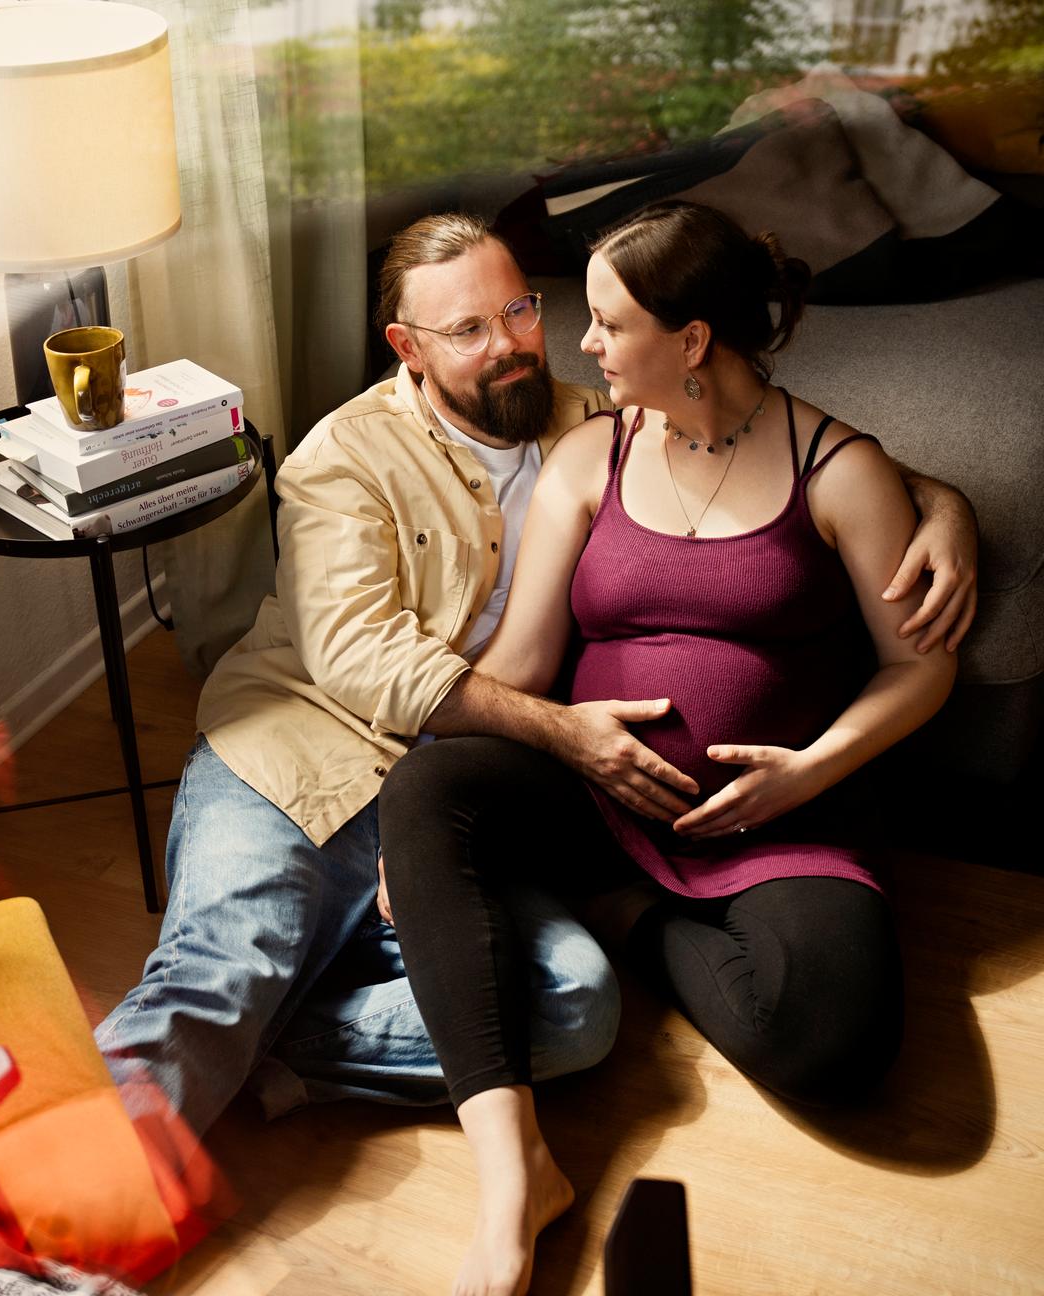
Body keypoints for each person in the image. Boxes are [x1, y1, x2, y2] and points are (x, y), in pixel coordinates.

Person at [95, 211, 973, 1153]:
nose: (515, 345)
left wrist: (943, 502)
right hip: (305, 760)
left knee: (575, 1011)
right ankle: (49, 1229)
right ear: (409, 348)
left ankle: (253, 1054)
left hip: (470, 786)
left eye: (520, 310)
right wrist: (561, 735)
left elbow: (775, 444)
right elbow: (362, 661)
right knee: (223, 979)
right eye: (469, 331)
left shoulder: (593, 418)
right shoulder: (342, 460)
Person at [376, 201, 960, 1296]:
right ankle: (514, 1188)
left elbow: (918, 668)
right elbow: (521, 661)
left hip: (780, 813)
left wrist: (811, 770)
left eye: (607, 323)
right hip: (594, 791)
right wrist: (417, 821)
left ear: (691, 339)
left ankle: (623, 914)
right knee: (428, 787)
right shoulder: (591, 456)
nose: (582, 347)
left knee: (839, 1046)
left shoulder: (836, 470)